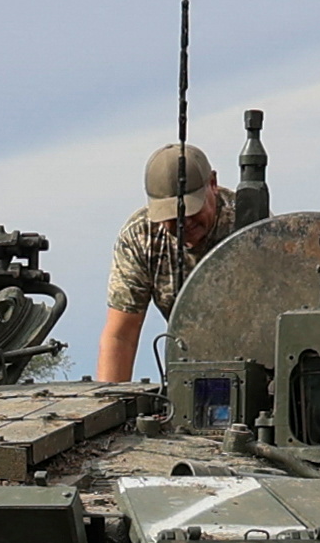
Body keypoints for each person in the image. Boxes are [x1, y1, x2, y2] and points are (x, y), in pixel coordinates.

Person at [92, 143, 228, 385]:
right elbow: (121, 335)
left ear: (213, 184)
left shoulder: (252, 224)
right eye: (172, 217)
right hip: (189, 370)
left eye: (192, 210)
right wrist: (106, 408)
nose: (184, 223)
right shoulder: (140, 238)